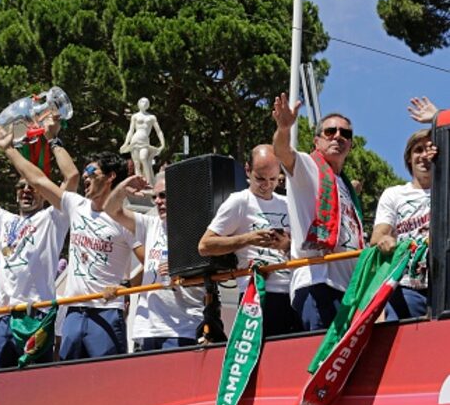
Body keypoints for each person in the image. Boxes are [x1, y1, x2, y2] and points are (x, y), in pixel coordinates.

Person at [0, 122, 134, 361]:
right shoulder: (77, 206)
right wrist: (13, 148)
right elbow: (40, 179)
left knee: (110, 381)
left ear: (110, 177)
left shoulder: (126, 219)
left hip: (107, 311)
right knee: (68, 381)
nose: (86, 179)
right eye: (86, 174)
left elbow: (150, 259)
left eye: (92, 174)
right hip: (75, 313)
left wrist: (126, 286)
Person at [0, 115, 78, 368]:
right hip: (4, 316)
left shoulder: (54, 217)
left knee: (38, 385)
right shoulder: (3, 220)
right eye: (20, 187)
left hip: (36, 314)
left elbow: (71, 178)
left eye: (33, 186)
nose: (26, 190)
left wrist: (52, 140)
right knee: (5, 387)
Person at [272, 94, 364, 331]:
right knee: (321, 363)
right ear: (317, 141)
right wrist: (283, 129)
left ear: (351, 145)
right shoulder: (309, 167)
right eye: (330, 131)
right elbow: (283, 152)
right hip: (318, 282)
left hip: (349, 289)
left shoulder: (344, 185)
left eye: (345, 134)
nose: (338, 136)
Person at [198, 145, 297, 337]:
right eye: (260, 178)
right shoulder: (239, 201)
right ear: (247, 170)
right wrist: (248, 239)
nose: (267, 185)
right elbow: (205, 245)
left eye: (273, 179)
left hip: (292, 291)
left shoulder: (287, 204)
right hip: (258, 294)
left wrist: (285, 244)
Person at [104, 174, 204, 350]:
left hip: (183, 328)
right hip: (148, 327)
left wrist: (181, 270)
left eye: (163, 195)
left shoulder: (197, 230)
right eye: (154, 197)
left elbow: (212, 275)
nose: (157, 201)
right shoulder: (151, 224)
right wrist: (124, 187)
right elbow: (111, 209)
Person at [371, 128, 436, 320]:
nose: (424, 156)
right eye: (418, 150)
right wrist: (384, 240)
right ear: (409, 158)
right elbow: (377, 237)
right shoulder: (394, 194)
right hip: (407, 286)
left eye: (430, 149)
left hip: (444, 284)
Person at [119, 97, 165, 184]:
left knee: (143, 158)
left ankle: (149, 182)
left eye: (146, 102)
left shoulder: (152, 117)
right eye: (142, 102)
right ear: (138, 103)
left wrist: (162, 144)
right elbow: (131, 131)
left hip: (144, 142)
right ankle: (139, 183)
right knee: (136, 163)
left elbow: (159, 131)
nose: (144, 103)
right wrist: (126, 143)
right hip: (135, 140)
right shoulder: (135, 116)